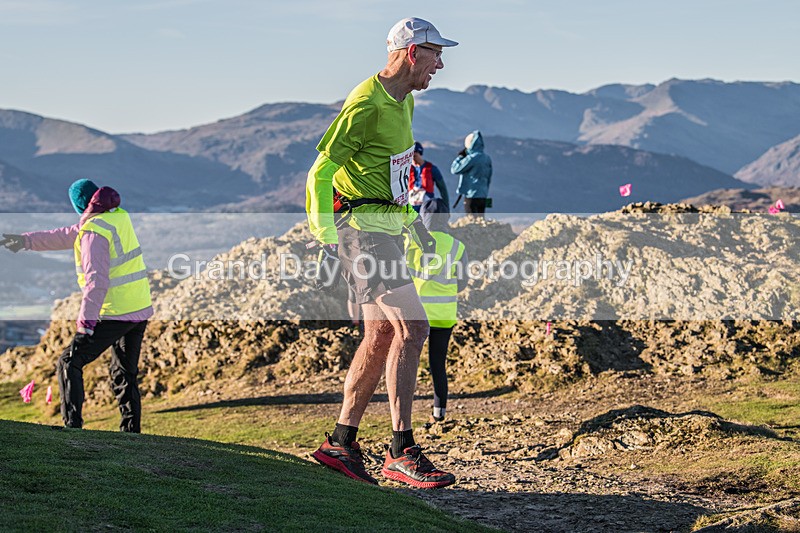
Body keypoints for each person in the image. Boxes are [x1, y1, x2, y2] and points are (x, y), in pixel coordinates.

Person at [305, 17, 458, 488]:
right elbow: (321, 169)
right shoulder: (365, 105)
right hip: (359, 231)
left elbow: (393, 177)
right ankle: (401, 449)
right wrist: (326, 232)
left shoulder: (404, 101)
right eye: (435, 53)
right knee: (413, 327)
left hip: (386, 229)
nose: (441, 63)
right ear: (412, 53)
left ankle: (340, 442)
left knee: (382, 336)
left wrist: (414, 226)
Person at [1, 179, 152, 432]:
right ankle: (131, 432)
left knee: (69, 362)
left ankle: (73, 427)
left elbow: (97, 282)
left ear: (79, 204)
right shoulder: (116, 216)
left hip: (115, 311)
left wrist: (86, 325)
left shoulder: (94, 232)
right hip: (139, 308)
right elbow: (68, 234)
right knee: (123, 372)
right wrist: (24, 241)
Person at [404, 198, 467, 423]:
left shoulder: (411, 242)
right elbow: (462, 283)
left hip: (415, 314)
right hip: (444, 316)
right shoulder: (457, 246)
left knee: (406, 364)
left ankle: (402, 417)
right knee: (437, 365)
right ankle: (438, 413)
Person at [451, 130, 493, 216]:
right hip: (483, 195)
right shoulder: (487, 158)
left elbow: (455, 170)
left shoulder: (472, 158)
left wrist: (460, 157)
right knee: (480, 219)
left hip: (471, 195)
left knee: (472, 221)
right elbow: (489, 177)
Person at [408, 141, 449, 212]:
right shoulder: (407, 170)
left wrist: (446, 206)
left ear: (420, 154)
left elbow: (443, 188)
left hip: (427, 206)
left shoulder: (432, 169)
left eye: (415, 156)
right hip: (411, 205)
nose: (413, 159)